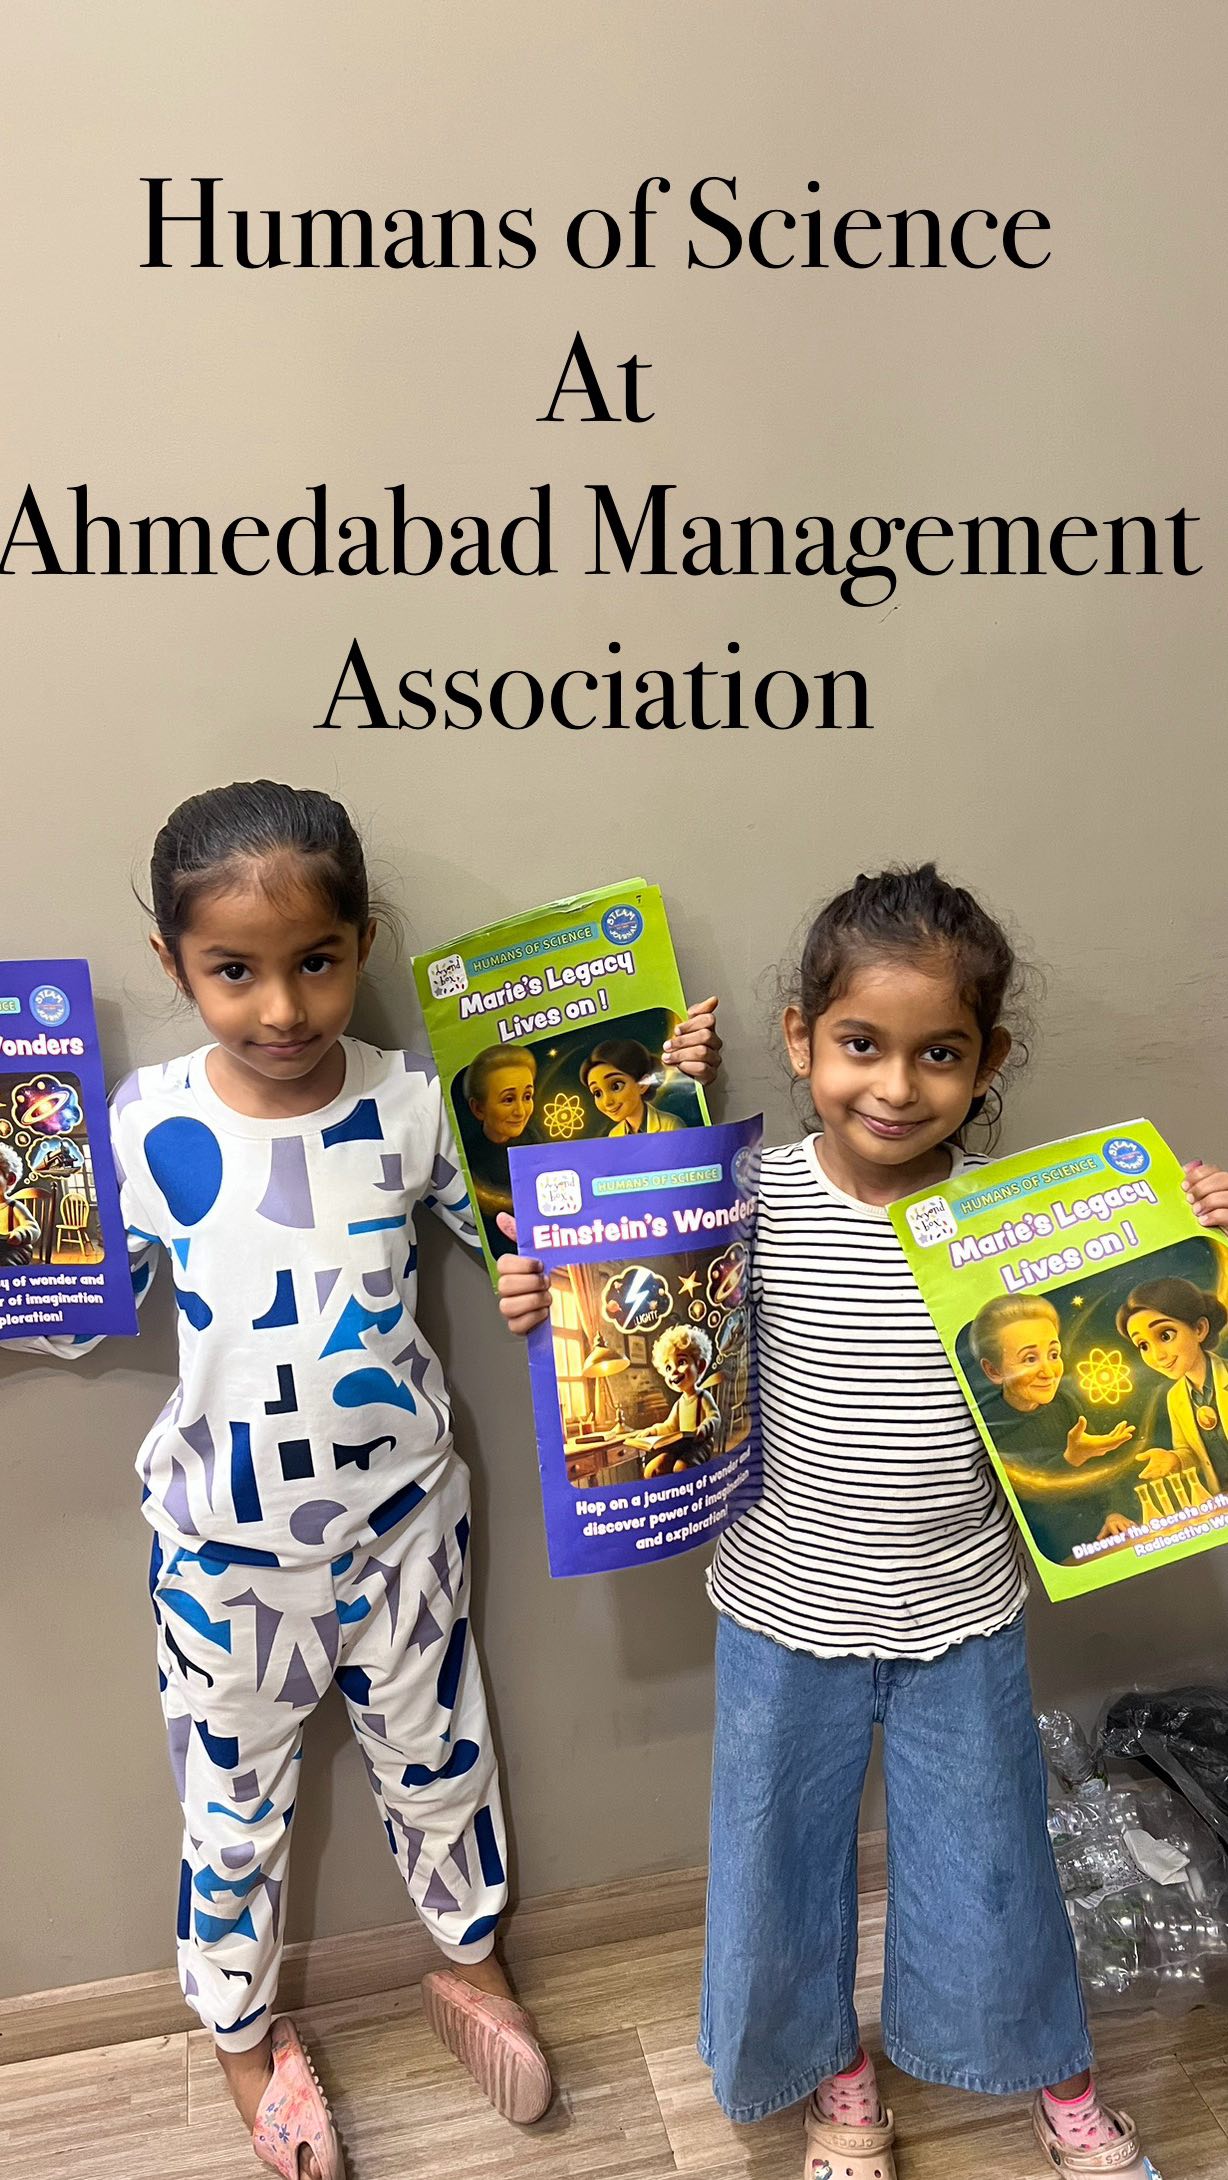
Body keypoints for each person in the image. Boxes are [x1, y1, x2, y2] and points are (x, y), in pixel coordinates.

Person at [0, 781, 723, 2180]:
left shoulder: (411, 1107)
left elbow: (555, 1227)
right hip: (223, 1553)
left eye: (315, 963)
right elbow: (72, 1295)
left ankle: (468, 1961)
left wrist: (670, 1091)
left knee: (442, 1764)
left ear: (365, 943)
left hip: (404, 1534)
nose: (280, 1009)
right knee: (231, 1810)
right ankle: (237, 2030)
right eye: (233, 972)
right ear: (173, 965)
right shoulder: (146, 1129)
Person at [496, 863, 1226, 2180]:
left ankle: (1056, 2085)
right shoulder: (750, 1201)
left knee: (996, 1869)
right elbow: (647, 1329)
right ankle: (834, 2082)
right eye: (859, 1046)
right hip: (781, 1606)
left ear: (988, 1060)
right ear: (801, 1040)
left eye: (938, 1055)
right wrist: (558, 1304)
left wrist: (1187, 1238)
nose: (895, 1086)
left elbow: (1145, 1339)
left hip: (962, 1613)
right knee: (779, 1869)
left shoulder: (1023, 1230)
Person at [968, 1295, 1137, 1562]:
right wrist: (1072, 1458)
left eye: (1054, 1354)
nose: (1048, 1370)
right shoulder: (987, 1423)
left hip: (1099, 1537)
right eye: (1029, 1358)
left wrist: (1112, 1513)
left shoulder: (1064, 1403)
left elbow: (1099, 1477)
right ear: (993, 1370)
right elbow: (1031, 1493)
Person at [1117, 1275, 1228, 1498]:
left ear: (1199, 1329)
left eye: (1165, 1335)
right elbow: (1190, 1452)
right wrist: (1175, 1459)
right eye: (1143, 1345)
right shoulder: (1175, 1397)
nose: (1157, 1356)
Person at [580, 1037, 686, 1135]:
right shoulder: (615, 1135)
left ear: (643, 1084)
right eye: (597, 1093)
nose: (607, 1102)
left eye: (616, 1086)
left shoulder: (671, 1125)